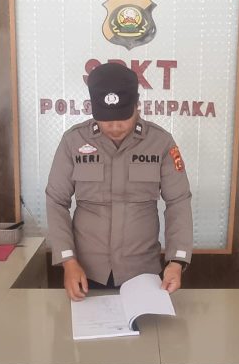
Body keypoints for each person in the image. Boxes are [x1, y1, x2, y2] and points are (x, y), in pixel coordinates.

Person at [46, 63, 193, 301]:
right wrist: (68, 260)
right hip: (85, 272)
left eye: (122, 118)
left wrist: (176, 261)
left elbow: (179, 201)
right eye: (106, 120)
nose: (115, 127)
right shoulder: (73, 141)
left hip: (142, 271)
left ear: (136, 105)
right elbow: (56, 201)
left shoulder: (161, 142)